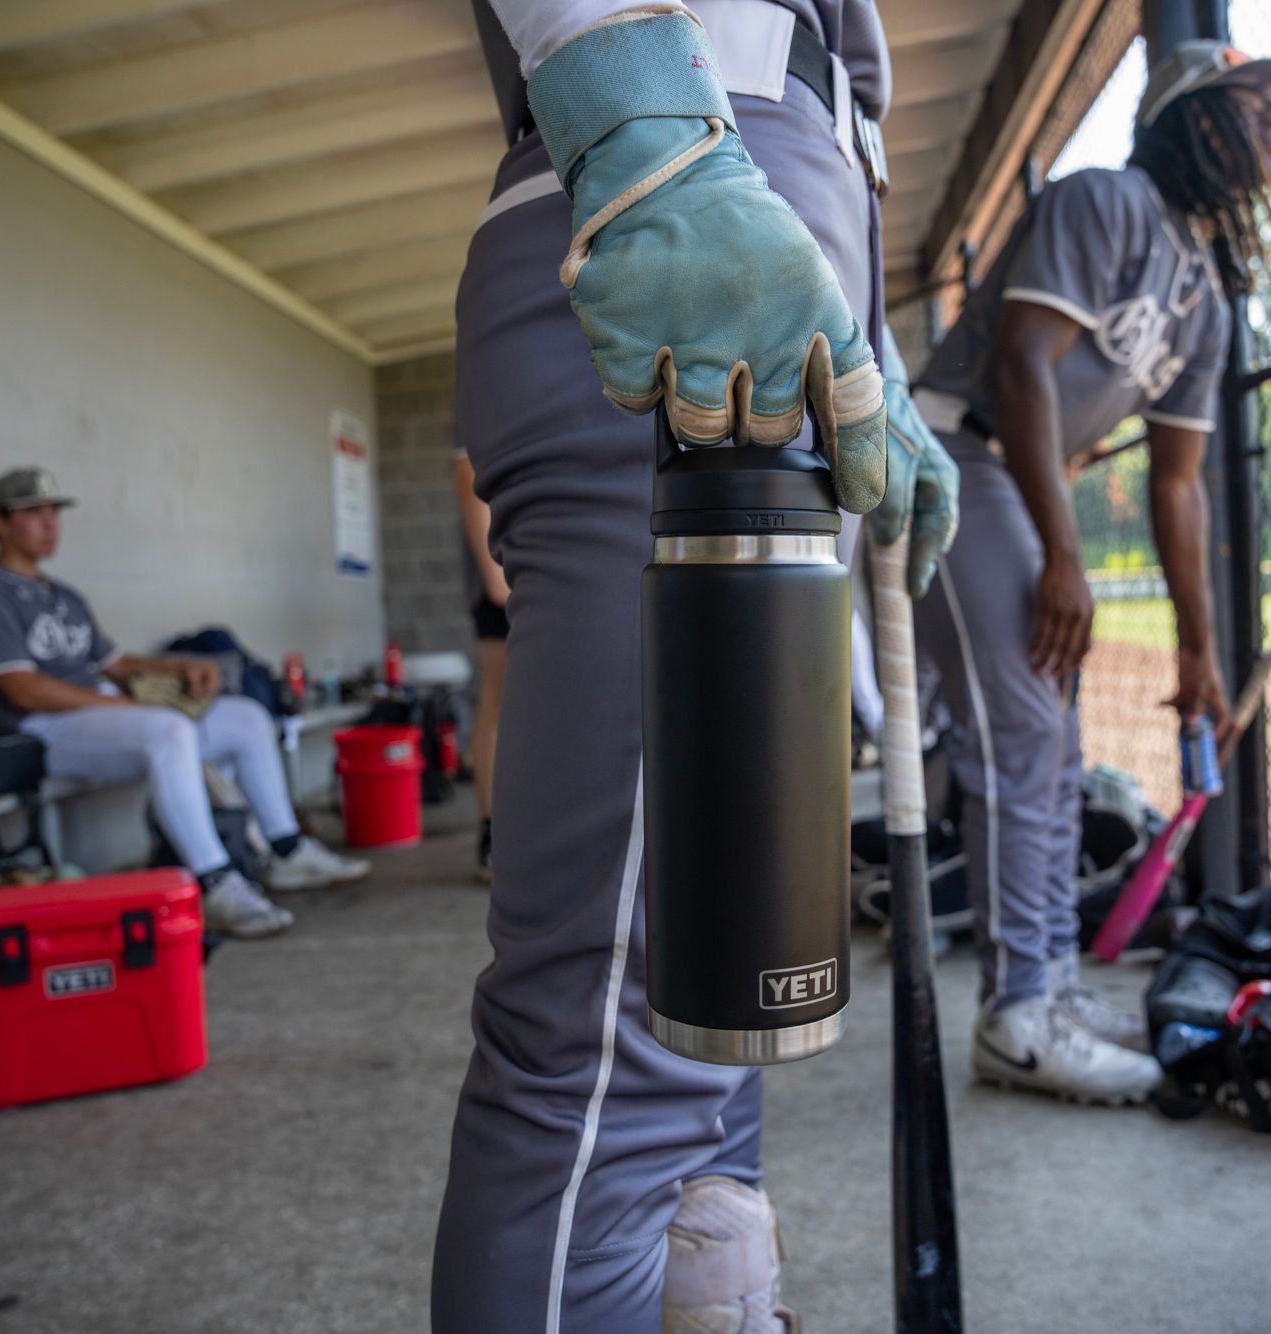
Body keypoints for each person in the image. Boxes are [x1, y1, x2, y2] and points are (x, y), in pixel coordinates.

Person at [432, 4, 955, 1331]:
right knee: (610, 1046)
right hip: (678, 227)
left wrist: (877, 353)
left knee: (724, 1022)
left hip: (778, 262)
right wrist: (653, 140)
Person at [910, 40, 1271, 1104]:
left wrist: (1202, 650)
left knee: (1055, 741)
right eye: (1248, 110)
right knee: (1025, 736)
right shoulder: (1104, 198)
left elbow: (1177, 484)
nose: (1269, 132)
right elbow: (1017, 365)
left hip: (1008, 480)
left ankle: (1045, 989)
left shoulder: (1204, 300)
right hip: (951, 449)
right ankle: (1017, 1010)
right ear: (1191, 122)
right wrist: (1064, 559)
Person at [0, 467, 371, 940]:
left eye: (53, 512)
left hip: (102, 716)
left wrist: (182, 666)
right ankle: (213, 882)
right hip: (42, 730)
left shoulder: (64, 596)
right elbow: (21, 689)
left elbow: (116, 663)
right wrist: (122, 709)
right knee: (168, 730)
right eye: (32, 513)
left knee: (246, 718)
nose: (49, 524)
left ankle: (287, 850)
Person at [452, 451, 507, 882]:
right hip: (509, 573)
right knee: (501, 697)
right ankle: (493, 834)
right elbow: (468, 468)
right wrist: (495, 576)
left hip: (540, 566)